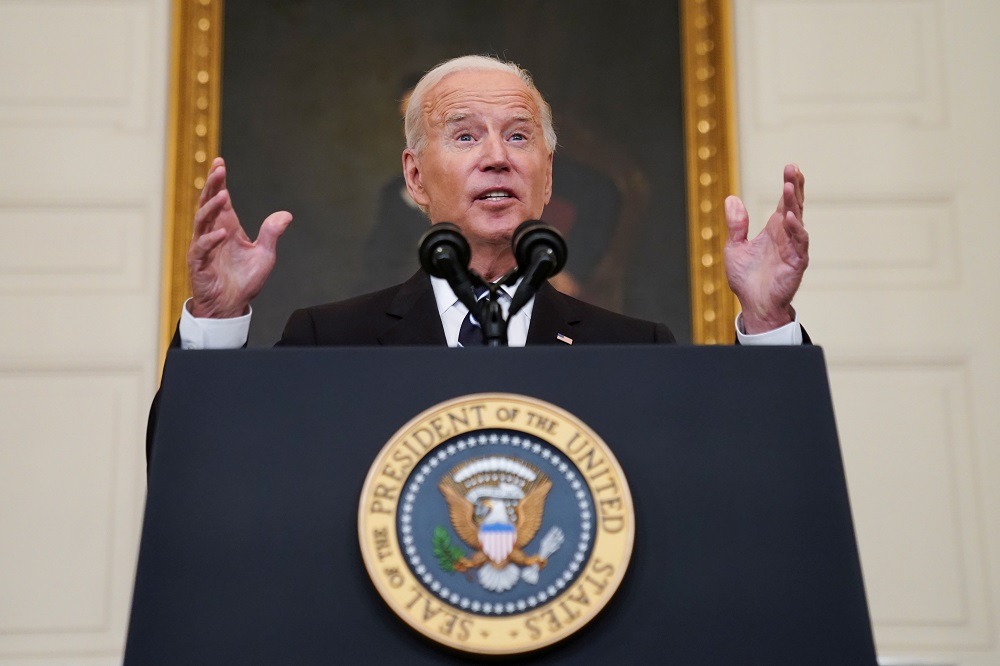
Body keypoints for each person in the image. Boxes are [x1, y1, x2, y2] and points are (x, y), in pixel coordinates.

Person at [180, 55, 807, 351]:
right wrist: (214, 318)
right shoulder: (328, 341)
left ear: (547, 176)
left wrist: (769, 325)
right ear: (416, 178)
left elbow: (745, 489)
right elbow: (212, 476)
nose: (496, 157)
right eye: (463, 135)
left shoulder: (632, 349)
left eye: (517, 135)